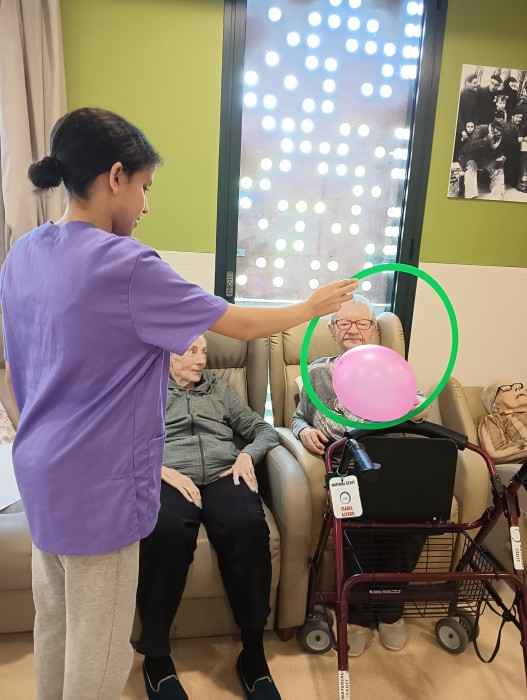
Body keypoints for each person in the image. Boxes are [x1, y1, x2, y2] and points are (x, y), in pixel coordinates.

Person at [0, 107, 358, 700]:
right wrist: (311, 306)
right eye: (144, 187)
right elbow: (239, 324)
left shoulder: (24, 253)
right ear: (116, 177)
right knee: (97, 653)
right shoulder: (127, 265)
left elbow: (12, 374)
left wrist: (36, 438)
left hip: (40, 477)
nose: (145, 205)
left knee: (57, 628)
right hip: (99, 492)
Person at [137, 336, 280, 700]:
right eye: (191, 351)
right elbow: (122, 440)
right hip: (171, 477)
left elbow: (263, 430)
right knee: (164, 532)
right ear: (168, 356)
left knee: (248, 527)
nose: (201, 360)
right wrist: (159, 471)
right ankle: (156, 658)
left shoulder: (220, 389)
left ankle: (253, 655)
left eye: (204, 351)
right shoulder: (148, 388)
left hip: (223, 473)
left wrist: (247, 456)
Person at [291, 295, 428, 657]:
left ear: (374, 330)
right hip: (346, 463)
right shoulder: (317, 373)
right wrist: (304, 431)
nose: (353, 330)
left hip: (392, 460)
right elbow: (298, 417)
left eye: (362, 323)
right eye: (344, 323)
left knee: (417, 516)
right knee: (356, 521)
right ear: (332, 330)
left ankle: (391, 611)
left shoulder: (389, 367)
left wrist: (417, 409)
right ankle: (359, 616)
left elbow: (418, 404)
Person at [478, 380, 527, 465]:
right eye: (507, 388)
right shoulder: (494, 419)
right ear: (496, 407)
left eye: (518, 386)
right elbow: (495, 453)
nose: (517, 388)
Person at [458, 120, 507, 199]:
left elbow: (499, 149)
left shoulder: (498, 135)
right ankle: (470, 196)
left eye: (502, 131)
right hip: (469, 155)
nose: (500, 133)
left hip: (483, 158)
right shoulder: (480, 128)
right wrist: (487, 139)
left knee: (498, 166)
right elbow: (473, 145)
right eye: (499, 130)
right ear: (492, 127)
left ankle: (497, 194)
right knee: (471, 165)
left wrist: (501, 156)